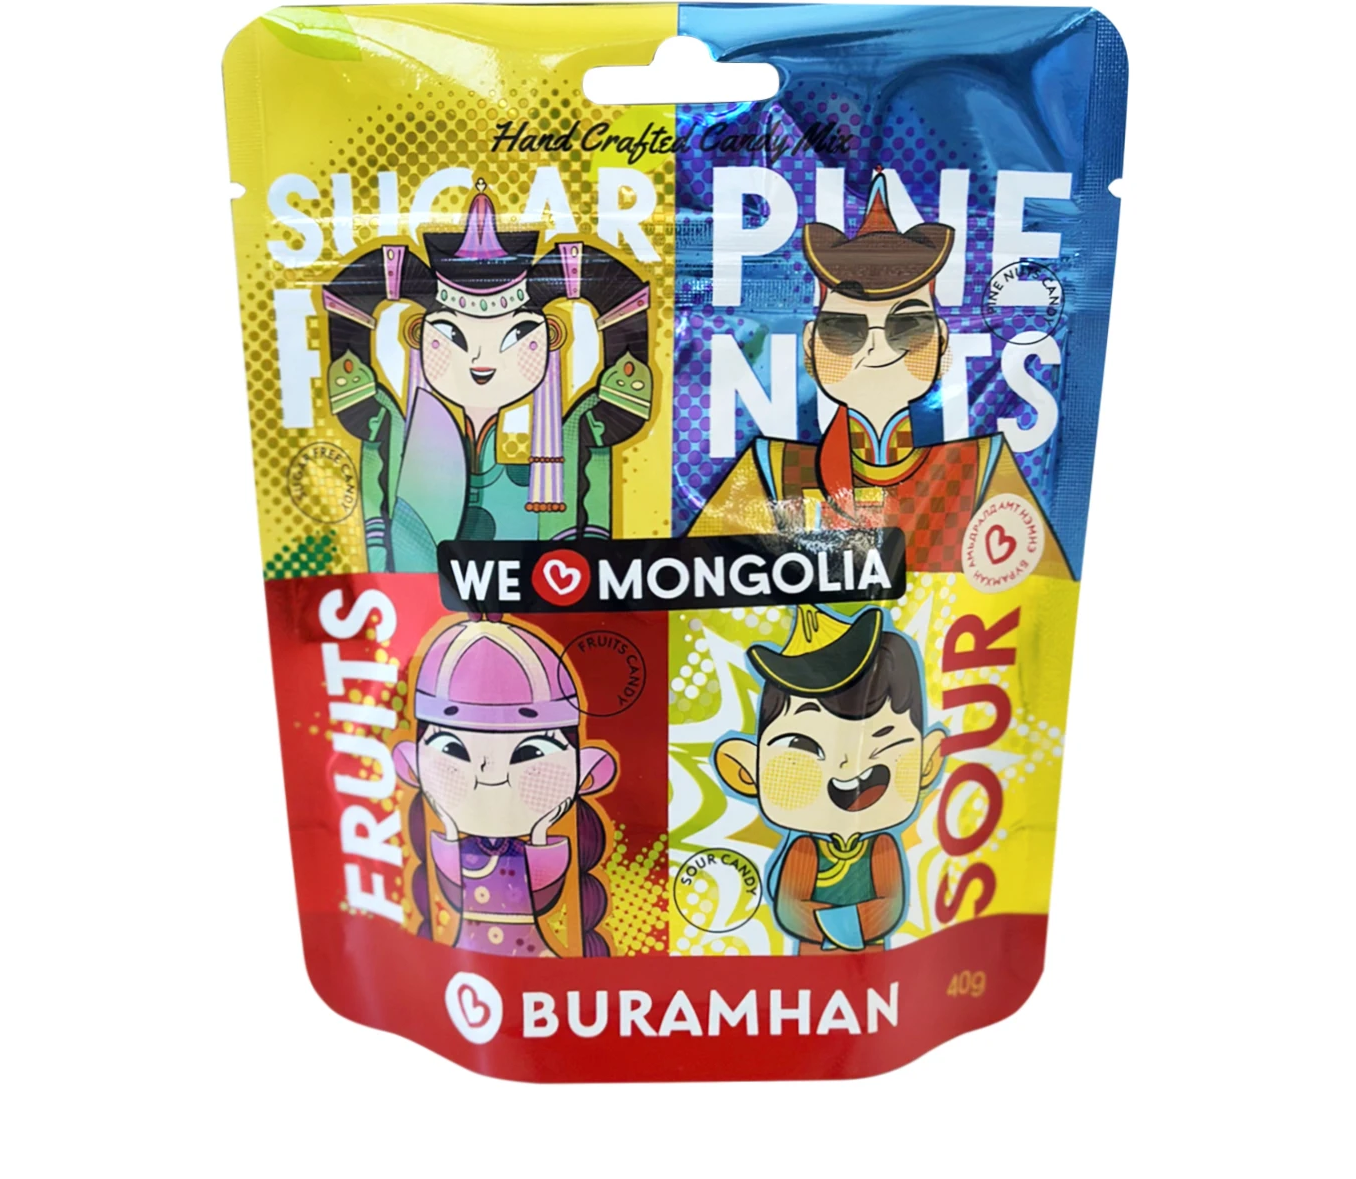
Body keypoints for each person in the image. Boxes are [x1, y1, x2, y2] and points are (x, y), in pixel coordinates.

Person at [689, 169, 1071, 579]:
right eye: (845, 330)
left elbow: (1041, 590)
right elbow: (693, 594)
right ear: (811, 344)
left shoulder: (981, 468)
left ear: (942, 340)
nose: (877, 347)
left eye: (907, 326)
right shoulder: (772, 470)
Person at [324, 179, 653, 572]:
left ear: (551, 336)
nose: (481, 359)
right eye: (450, 335)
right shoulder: (393, 431)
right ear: (416, 336)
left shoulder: (575, 435)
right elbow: (380, 549)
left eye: (517, 335)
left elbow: (592, 550)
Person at [713, 604, 947, 954]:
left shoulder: (881, 847)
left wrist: (837, 925)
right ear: (746, 771)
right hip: (811, 959)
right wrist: (844, 926)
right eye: (804, 746)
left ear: (928, 762)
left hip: (870, 961)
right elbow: (790, 908)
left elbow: (891, 905)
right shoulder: (805, 849)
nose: (848, 771)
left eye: (883, 741)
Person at [392, 614, 617, 957]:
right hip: (467, 958)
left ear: (582, 772)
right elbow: (450, 890)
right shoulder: (460, 849)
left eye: (531, 752)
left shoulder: (525, 852)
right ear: (414, 767)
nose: (491, 774)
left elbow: (546, 895)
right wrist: (448, 826)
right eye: (452, 748)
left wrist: (540, 832)